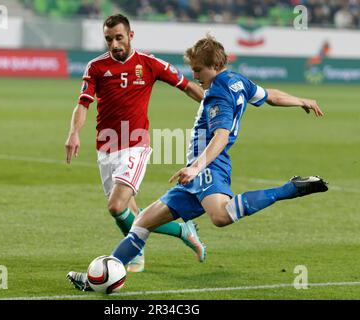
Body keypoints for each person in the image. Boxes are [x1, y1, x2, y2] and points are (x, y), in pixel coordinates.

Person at [71, 34, 329, 291]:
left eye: (198, 70)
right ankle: (99, 278)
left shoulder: (217, 94)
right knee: (141, 223)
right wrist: (301, 101)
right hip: (196, 172)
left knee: (220, 215)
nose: (195, 76)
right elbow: (269, 95)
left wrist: (196, 167)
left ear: (214, 67)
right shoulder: (238, 80)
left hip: (207, 167)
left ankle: (289, 189)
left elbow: (221, 134)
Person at [65, 14, 206, 287]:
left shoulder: (149, 63)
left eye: (119, 37)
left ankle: (147, 246)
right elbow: (83, 103)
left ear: (131, 35)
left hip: (136, 145)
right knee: (129, 211)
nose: (114, 44)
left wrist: (216, 103)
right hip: (106, 149)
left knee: (116, 206)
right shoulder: (95, 67)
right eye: (109, 39)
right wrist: (73, 132)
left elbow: (188, 86)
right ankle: (168, 237)